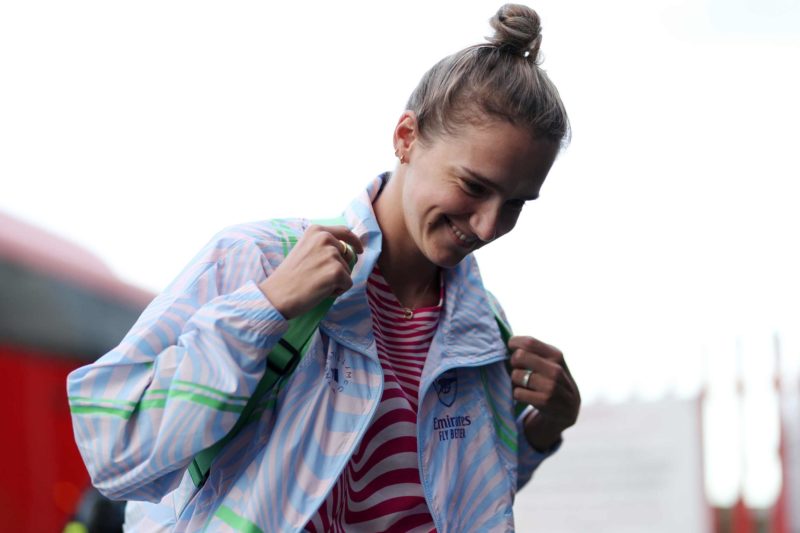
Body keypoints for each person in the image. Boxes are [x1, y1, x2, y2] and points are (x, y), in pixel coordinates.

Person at [67, 4, 581, 531]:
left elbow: (448, 497)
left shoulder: (483, 327)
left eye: (517, 203)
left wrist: (544, 429)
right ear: (406, 136)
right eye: (474, 186)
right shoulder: (261, 260)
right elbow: (117, 454)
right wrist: (264, 309)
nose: (490, 225)